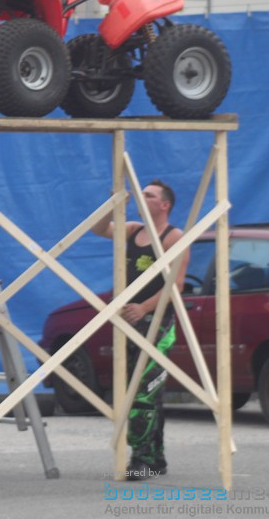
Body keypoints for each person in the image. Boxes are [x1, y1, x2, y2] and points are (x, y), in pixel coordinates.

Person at [91, 179, 189, 480]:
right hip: (128, 323)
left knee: (144, 392)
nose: (142, 197)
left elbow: (177, 285)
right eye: (142, 193)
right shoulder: (134, 230)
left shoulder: (174, 238)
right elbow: (99, 229)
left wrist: (145, 307)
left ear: (164, 205)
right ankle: (156, 458)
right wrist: (112, 207)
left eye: (149, 195)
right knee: (131, 391)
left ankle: (142, 460)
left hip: (157, 324)